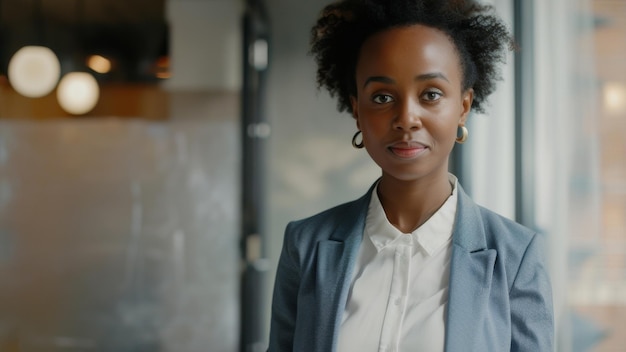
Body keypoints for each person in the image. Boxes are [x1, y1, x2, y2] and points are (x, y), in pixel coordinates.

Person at [267, 0, 554, 351]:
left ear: (463, 106)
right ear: (357, 110)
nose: (406, 117)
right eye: (382, 96)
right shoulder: (306, 244)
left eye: (431, 94)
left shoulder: (516, 256)